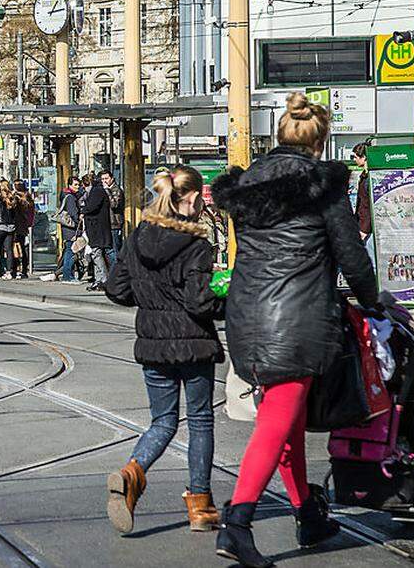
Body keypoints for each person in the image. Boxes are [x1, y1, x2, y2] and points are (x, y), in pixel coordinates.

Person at [211, 93, 380, 567]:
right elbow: (351, 255)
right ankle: (238, 522)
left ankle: (308, 511)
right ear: (320, 142)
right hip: (297, 317)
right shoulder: (323, 185)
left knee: (288, 419)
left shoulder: (247, 184)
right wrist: (374, 302)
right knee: (278, 420)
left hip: (248, 315)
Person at [104, 166, 224, 535]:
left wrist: (150, 296)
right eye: (200, 201)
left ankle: (132, 473)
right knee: (200, 419)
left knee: (163, 422)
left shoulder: (138, 236)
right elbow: (199, 302)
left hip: (153, 344)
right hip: (193, 345)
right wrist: (226, 296)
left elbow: (117, 289)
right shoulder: (197, 245)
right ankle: (200, 506)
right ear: (188, 200)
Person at [81, 173, 112, 291]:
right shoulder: (97, 191)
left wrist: (83, 210)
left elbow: (91, 207)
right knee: (96, 253)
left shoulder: (97, 192)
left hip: (97, 229)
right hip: (96, 228)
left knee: (97, 253)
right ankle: (99, 280)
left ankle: (104, 280)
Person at [56, 178, 82, 283]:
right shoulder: (70, 197)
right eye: (75, 185)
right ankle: (68, 276)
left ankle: (67, 274)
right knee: (70, 252)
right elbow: (73, 213)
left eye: (78, 185)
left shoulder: (66, 195)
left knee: (69, 251)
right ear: (69, 185)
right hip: (71, 229)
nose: (78, 187)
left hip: (66, 229)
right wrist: (79, 222)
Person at [353, 141, 374, 264]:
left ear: (364, 157)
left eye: (355, 156)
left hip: (368, 227)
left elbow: (368, 205)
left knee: (370, 259)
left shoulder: (368, 178)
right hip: (365, 225)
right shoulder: (365, 176)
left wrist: (364, 229)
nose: (354, 160)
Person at [12, 180, 35, 279]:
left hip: (15, 226)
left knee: (13, 248)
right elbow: (32, 213)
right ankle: (24, 270)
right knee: (23, 248)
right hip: (24, 226)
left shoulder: (16, 198)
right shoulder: (28, 198)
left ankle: (14, 269)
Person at [101, 171, 125, 263]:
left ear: (112, 178)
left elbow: (114, 204)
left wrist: (107, 190)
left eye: (106, 178)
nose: (104, 181)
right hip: (107, 223)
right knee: (109, 250)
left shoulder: (116, 190)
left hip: (114, 224)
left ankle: (118, 272)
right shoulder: (105, 189)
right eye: (102, 179)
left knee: (114, 249)